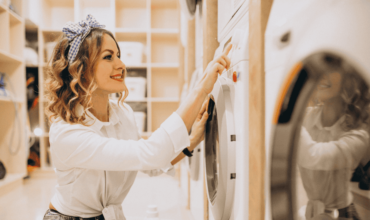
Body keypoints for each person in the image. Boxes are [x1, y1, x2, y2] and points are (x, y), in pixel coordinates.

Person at [42, 15, 232, 220]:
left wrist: (193, 139)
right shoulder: (67, 132)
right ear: (81, 69)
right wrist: (200, 90)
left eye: (119, 55)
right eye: (108, 57)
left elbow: (151, 165)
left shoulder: (123, 115)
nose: (121, 64)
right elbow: (152, 154)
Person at [298, 54, 370, 220]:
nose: (322, 74)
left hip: (342, 215)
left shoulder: (359, 135)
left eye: (331, 69)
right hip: (314, 213)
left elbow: (314, 156)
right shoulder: (307, 119)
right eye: (321, 69)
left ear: (348, 79)